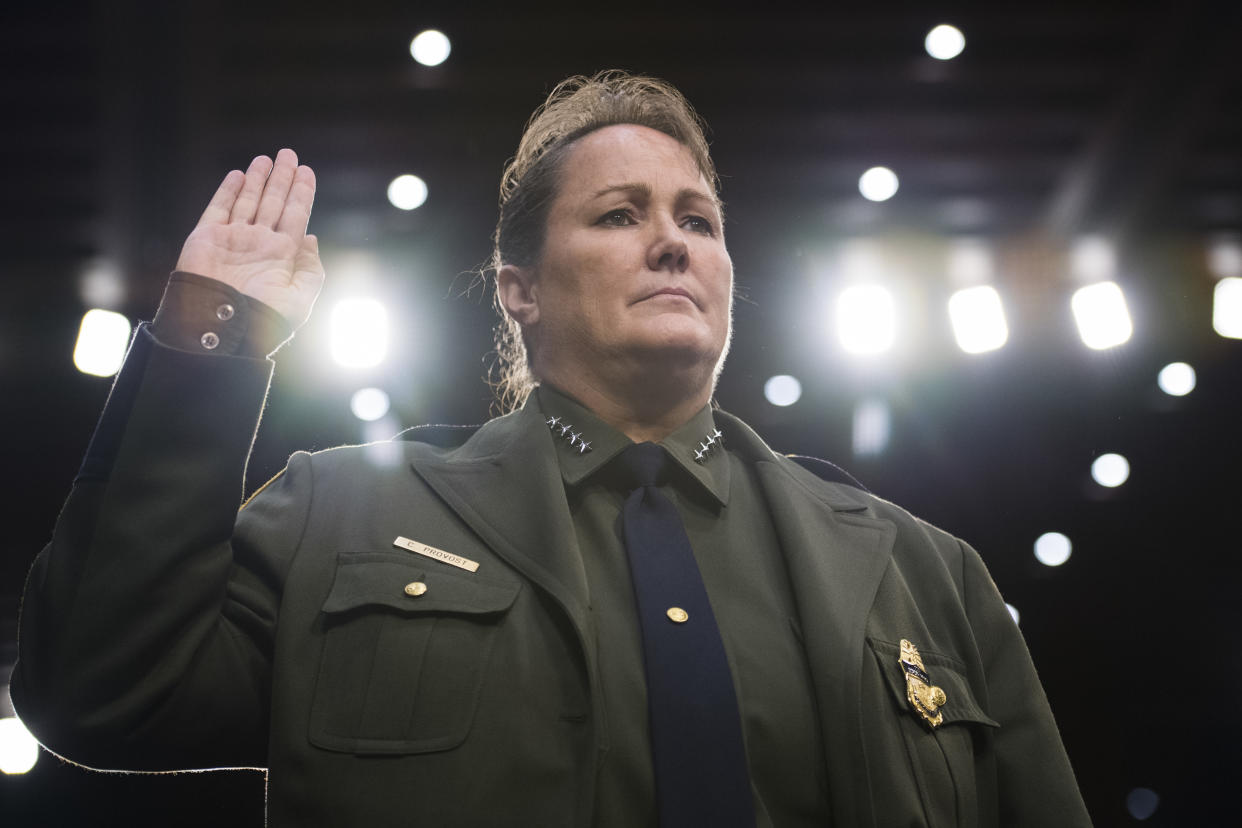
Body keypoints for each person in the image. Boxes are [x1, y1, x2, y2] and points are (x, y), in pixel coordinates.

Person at [11, 71, 1092, 827]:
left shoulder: (924, 575)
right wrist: (212, 343)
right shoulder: (340, 517)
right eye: (620, 215)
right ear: (518, 290)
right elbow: (102, 689)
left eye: (700, 220)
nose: (674, 238)